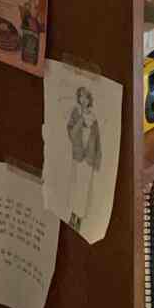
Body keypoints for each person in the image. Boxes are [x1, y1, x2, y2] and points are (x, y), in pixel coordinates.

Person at [66, 86, 101, 233]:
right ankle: (72, 215)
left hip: (89, 157)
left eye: (86, 97)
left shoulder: (93, 117)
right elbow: (71, 132)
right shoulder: (75, 113)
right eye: (81, 96)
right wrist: (80, 119)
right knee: (75, 184)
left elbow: (97, 140)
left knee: (85, 187)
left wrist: (97, 159)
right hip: (78, 154)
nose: (83, 100)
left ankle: (79, 219)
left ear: (89, 99)